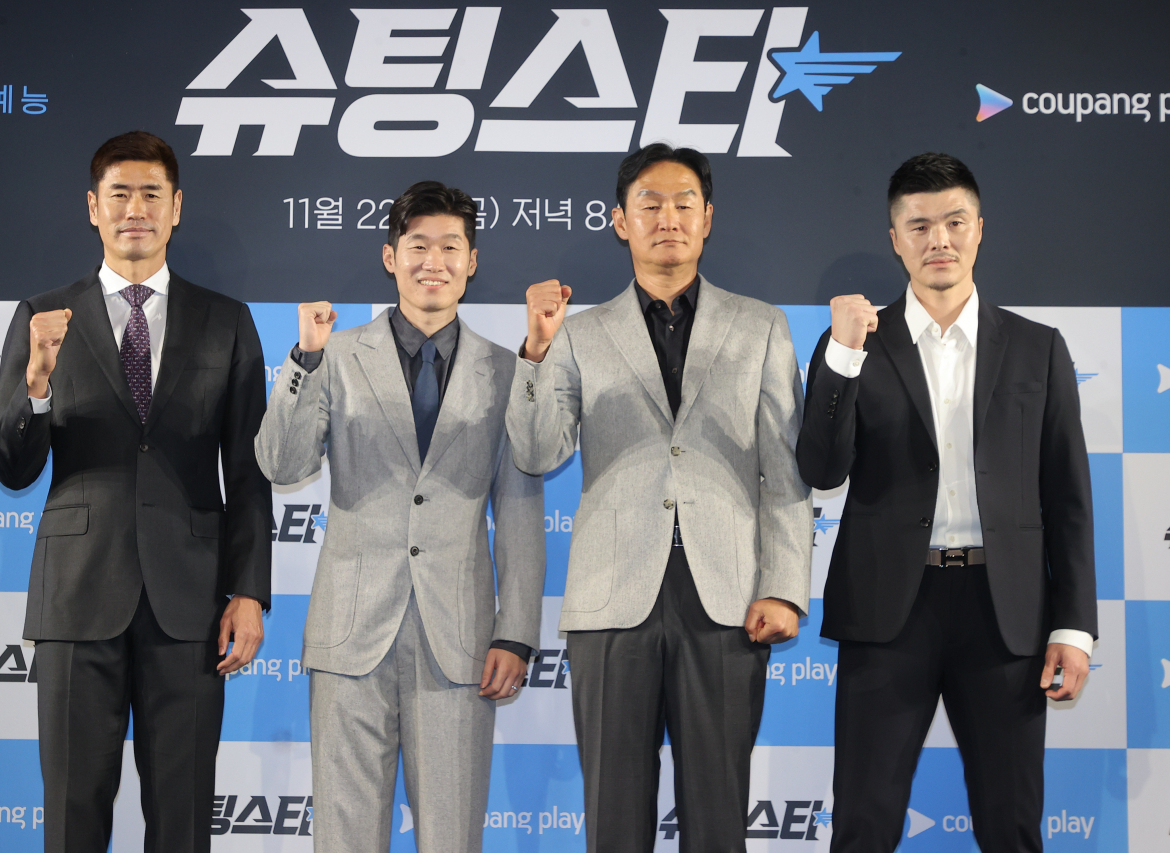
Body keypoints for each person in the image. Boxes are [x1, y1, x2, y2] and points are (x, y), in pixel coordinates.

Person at [505, 143, 812, 852]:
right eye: (649, 203)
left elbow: (785, 469)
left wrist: (786, 587)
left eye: (683, 203)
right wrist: (536, 353)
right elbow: (535, 451)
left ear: (708, 219)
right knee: (614, 819)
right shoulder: (579, 333)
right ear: (620, 221)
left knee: (718, 816)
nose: (666, 217)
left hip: (729, 596)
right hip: (613, 598)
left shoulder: (763, 325)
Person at [797, 152, 1097, 853]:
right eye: (920, 224)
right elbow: (819, 467)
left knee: (1012, 825)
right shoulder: (853, 342)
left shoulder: (1038, 349)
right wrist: (842, 356)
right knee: (863, 825)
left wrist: (1074, 626)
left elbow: (1069, 496)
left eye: (955, 222)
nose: (940, 239)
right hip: (888, 612)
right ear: (896, 238)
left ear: (980, 230)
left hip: (1006, 615)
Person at [0, 130, 272, 853]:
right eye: (119, 194)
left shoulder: (227, 321)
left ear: (177, 208)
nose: (134, 209)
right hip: (78, 599)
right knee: (73, 818)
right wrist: (37, 389)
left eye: (151, 194)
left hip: (192, 602)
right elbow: (10, 464)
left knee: (182, 822)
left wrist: (249, 591)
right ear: (93, 207)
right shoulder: (44, 315)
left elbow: (248, 469)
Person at [254, 181, 545, 853]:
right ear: (391, 256)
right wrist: (304, 360)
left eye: (450, 247)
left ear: (472, 261)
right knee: (345, 838)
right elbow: (282, 463)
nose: (433, 261)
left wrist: (517, 632)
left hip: (461, 641)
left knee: (452, 838)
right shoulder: (335, 355)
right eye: (418, 246)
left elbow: (521, 507)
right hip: (350, 634)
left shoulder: (509, 372)